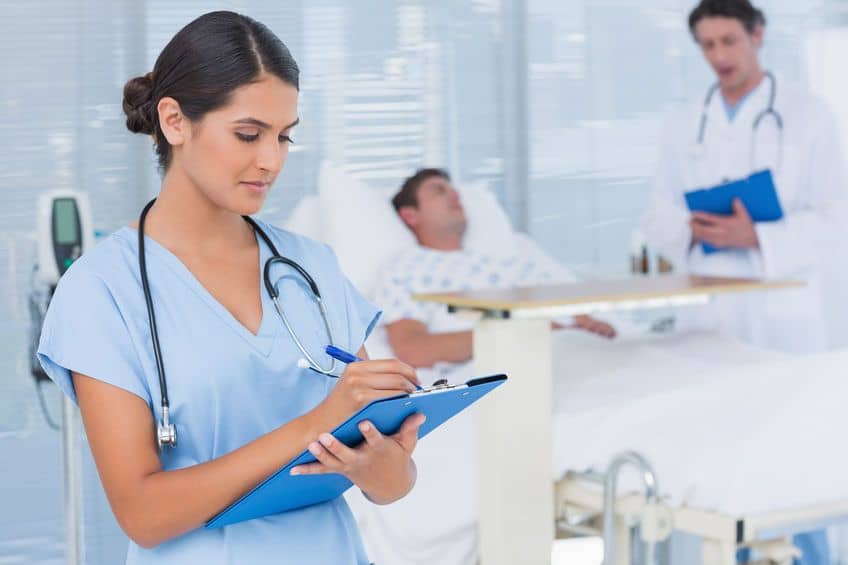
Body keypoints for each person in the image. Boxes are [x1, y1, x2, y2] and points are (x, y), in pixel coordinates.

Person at [36, 11, 424, 564]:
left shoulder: (309, 267)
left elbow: (390, 484)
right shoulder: (101, 291)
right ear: (174, 122)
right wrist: (316, 423)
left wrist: (387, 466)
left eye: (284, 137)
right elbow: (142, 514)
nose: (271, 160)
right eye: (248, 134)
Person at [641, 1, 847, 563]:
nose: (719, 57)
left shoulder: (810, 115)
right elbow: (657, 216)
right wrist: (696, 227)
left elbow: (836, 218)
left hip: (780, 313)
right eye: (707, 45)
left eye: (729, 41)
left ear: (758, 36)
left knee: (790, 459)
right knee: (717, 462)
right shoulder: (685, 120)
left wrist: (754, 236)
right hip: (706, 305)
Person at [376, 168, 615, 371]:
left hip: (577, 353)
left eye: (453, 190)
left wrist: (586, 323)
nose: (454, 195)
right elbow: (413, 350)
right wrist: (521, 331)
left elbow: (572, 310)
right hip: (508, 366)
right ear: (410, 215)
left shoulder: (510, 261)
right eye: (439, 190)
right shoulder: (405, 268)